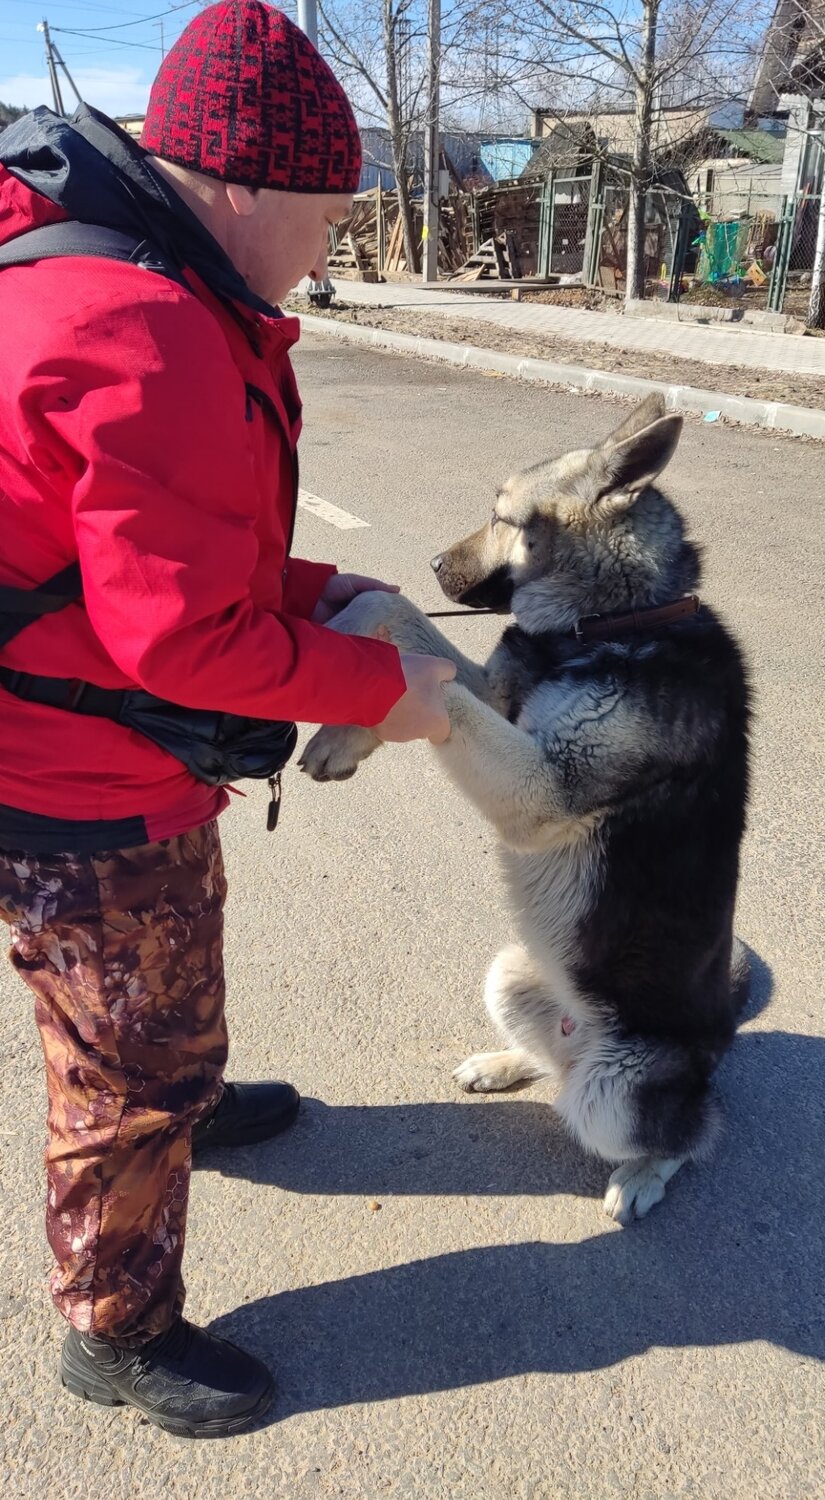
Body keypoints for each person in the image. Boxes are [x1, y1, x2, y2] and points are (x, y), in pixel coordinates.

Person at [0, 0, 454, 1439]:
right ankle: (116, 1323)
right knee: (120, 1063)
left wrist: (333, 587)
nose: (332, 245)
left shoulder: (112, 275)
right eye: (328, 213)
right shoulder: (149, 328)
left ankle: (180, 1079)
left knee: (149, 995)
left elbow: (161, 551)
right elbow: (183, 633)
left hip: (71, 728)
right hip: (76, 776)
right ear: (243, 187)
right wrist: (398, 692)